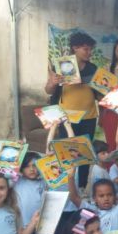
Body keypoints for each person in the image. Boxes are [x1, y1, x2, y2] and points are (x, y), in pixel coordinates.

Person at [45, 32, 99, 187]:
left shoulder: (93, 68)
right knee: (66, 153)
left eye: (90, 50)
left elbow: (100, 95)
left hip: (89, 117)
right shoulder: (60, 66)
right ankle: (67, 186)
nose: (89, 53)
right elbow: (48, 90)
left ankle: (81, 187)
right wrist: (53, 82)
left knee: (85, 154)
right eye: (86, 49)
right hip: (66, 119)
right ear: (75, 48)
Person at [67, 158, 118, 234]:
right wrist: (70, 177)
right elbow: (73, 197)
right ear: (94, 198)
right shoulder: (91, 211)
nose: (106, 198)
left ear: (115, 196)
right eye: (101, 196)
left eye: (109, 195)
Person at [15, 152, 49, 234]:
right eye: (27, 166)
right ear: (21, 168)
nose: (32, 169)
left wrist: (47, 159)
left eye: (35, 165)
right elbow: (7, 171)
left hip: (40, 225)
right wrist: (18, 152)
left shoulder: (42, 182)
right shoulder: (17, 181)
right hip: (22, 226)